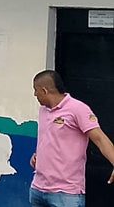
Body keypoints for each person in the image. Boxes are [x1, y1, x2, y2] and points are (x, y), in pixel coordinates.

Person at [29, 69, 114, 207]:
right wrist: (39, 154)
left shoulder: (78, 109)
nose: (34, 94)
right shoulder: (43, 110)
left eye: (36, 90)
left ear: (44, 91)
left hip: (66, 194)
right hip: (38, 189)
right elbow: (49, 138)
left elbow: (99, 138)